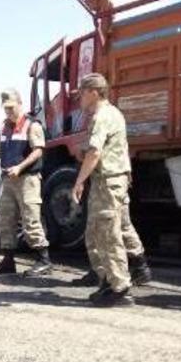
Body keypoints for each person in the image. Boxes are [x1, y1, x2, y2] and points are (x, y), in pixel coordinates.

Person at [70, 73, 137, 307]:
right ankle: (109, 280)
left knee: (108, 234)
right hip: (108, 181)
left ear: (93, 92)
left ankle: (120, 287)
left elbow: (96, 152)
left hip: (108, 182)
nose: (79, 98)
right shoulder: (111, 113)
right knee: (98, 232)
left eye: (82, 92)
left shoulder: (102, 116)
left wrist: (79, 181)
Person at [0, 88, 51, 277]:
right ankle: (8, 261)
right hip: (8, 180)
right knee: (6, 220)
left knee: (30, 219)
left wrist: (19, 167)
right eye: (5, 108)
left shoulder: (31, 125)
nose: (8, 111)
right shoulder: (4, 127)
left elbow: (38, 151)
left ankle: (44, 260)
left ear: (20, 104)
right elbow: (0, 152)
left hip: (27, 179)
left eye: (11, 107)